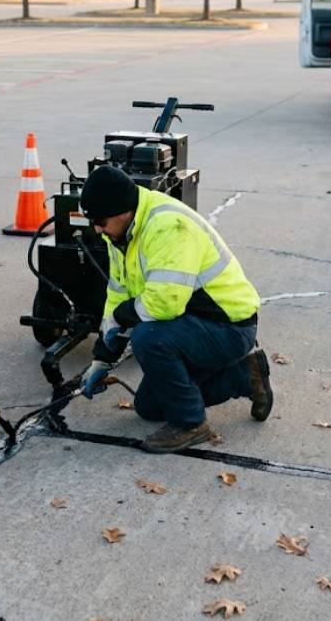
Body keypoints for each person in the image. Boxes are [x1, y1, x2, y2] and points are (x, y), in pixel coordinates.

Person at [77, 165, 275, 454]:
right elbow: (117, 296)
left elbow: (164, 302)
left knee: (148, 337)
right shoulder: (119, 234)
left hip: (229, 326)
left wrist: (122, 317)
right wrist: (102, 358)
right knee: (149, 406)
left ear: (122, 212)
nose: (97, 228)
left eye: (100, 220)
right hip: (192, 323)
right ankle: (244, 376)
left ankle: (191, 425)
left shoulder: (168, 225)